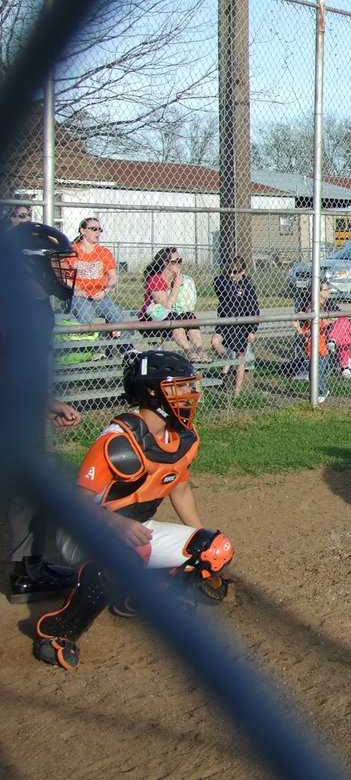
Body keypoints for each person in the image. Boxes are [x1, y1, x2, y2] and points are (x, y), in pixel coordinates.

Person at [33, 350, 234, 670]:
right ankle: (58, 633)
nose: (188, 395)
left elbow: (180, 490)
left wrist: (204, 545)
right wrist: (115, 524)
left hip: (136, 528)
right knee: (125, 554)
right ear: (153, 392)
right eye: (179, 388)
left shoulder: (183, 437)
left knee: (215, 548)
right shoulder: (118, 441)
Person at [5, 222, 82, 603]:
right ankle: (26, 569)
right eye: (54, 263)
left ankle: (28, 569)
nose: (63, 271)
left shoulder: (40, 308)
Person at [69, 216, 133, 346]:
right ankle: (91, 350)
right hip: (78, 296)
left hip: (99, 295)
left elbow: (113, 278)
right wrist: (76, 290)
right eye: (93, 229)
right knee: (85, 312)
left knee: (117, 315)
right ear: (82, 231)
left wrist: (105, 291)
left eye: (99, 229)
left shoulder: (104, 252)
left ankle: (125, 349)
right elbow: (63, 277)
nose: (97, 232)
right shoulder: (72, 251)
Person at [139, 247, 210, 362]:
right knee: (174, 318)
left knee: (189, 316)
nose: (179, 264)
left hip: (173, 315)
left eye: (180, 260)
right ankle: (190, 352)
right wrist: (176, 286)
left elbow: (186, 303)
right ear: (166, 264)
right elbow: (167, 305)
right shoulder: (155, 279)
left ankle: (200, 352)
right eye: (176, 261)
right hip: (151, 320)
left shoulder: (179, 278)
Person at [211, 256, 260, 395]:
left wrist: (252, 330)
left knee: (240, 357)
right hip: (226, 321)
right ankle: (226, 359)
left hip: (241, 325)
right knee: (215, 341)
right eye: (229, 272)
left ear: (243, 271)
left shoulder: (248, 287)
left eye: (235, 272)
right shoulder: (223, 281)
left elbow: (254, 309)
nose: (232, 275)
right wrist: (230, 280)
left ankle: (237, 390)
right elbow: (221, 287)